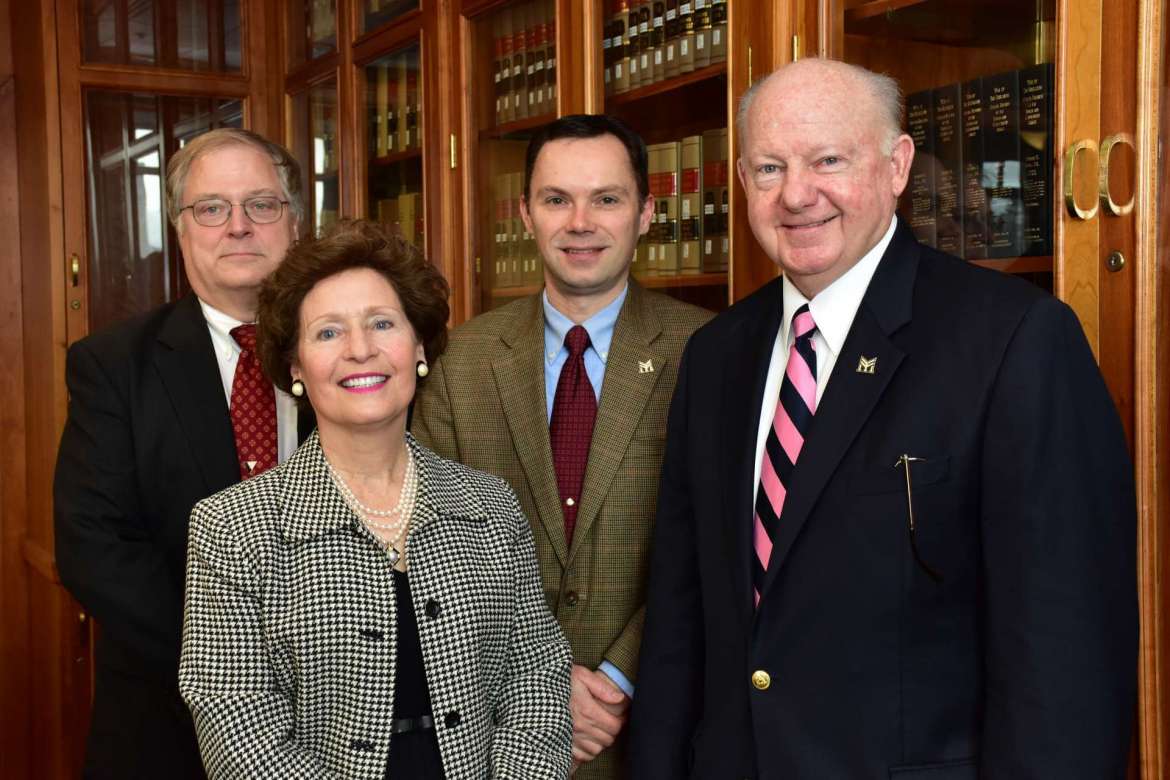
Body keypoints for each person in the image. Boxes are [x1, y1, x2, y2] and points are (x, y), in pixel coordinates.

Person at [630, 58, 1137, 779]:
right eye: (769, 168)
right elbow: (680, 624)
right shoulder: (715, 355)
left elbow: (1066, 655)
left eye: (827, 160)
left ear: (898, 165)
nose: (796, 194)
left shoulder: (1015, 340)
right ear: (741, 182)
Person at [178, 219, 573, 778]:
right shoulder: (232, 527)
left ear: (417, 346)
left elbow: (537, 679)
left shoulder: (489, 505)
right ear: (296, 367)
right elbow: (240, 736)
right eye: (328, 333)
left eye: (382, 323)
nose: (360, 350)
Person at [412, 114, 711, 778]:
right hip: (497, 729)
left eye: (606, 198)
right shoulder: (458, 362)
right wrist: (544, 680)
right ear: (525, 214)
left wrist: (619, 676)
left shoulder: (710, 352)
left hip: (653, 723)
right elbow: (431, 547)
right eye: (556, 199)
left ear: (646, 213)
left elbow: (719, 540)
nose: (581, 221)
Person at [54, 127, 311, 779]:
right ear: (180, 227)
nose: (238, 226)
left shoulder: (352, 351)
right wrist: (237, 665)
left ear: (294, 223)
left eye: (262, 204)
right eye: (211, 208)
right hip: (166, 718)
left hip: (333, 710)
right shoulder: (113, 365)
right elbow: (95, 547)